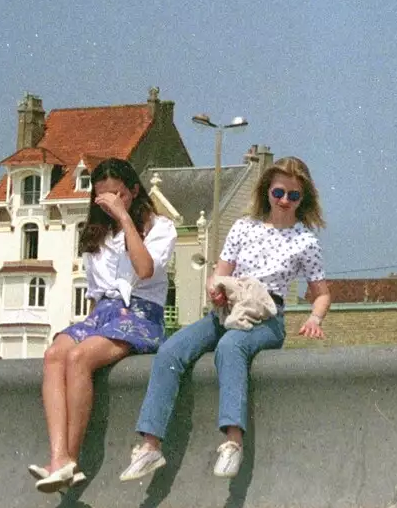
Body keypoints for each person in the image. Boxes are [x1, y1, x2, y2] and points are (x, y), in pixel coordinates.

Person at [119, 156, 331, 483]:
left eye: (294, 195)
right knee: (171, 350)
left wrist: (315, 318)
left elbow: (321, 292)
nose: (285, 202)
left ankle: (233, 441)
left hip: (266, 316)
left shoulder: (305, 241)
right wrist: (215, 290)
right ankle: (150, 445)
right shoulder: (243, 227)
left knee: (231, 347)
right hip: (227, 309)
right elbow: (219, 275)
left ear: (304, 199)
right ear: (267, 193)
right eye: (279, 193)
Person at [32, 157, 177, 493]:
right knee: (56, 354)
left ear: (134, 191)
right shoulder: (95, 235)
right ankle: (58, 458)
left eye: (118, 196)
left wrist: (126, 220)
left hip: (140, 313)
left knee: (80, 358)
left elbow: (144, 270)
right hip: (104, 313)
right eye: (103, 199)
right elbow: (96, 296)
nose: (111, 205)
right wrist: (91, 323)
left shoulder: (160, 227)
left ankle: (72, 457)